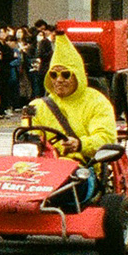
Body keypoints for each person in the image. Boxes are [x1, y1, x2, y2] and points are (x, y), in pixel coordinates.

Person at [28, 34, 119, 207]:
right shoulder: (37, 106)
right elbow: (27, 139)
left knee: (66, 178)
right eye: (54, 75)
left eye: (65, 74)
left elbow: (106, 138)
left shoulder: (97, 102)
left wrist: (79, 144)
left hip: (81, 169)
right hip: (39, 169)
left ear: (77, 75)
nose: (59, 80)